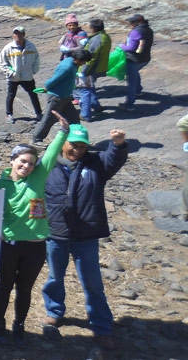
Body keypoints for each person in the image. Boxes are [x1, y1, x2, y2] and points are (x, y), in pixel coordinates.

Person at [42, 124, 128, 350]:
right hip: (56, 233)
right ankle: (54, 311)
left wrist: (118, 145)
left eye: (82, 146)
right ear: (63, 144)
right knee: (54, 277)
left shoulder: (96, 164)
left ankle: (101, 327)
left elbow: (114, 158)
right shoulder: (47, 165)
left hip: (86, 235)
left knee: (93, 283)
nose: (78, 150)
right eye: (74, 145)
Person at [0, 111, 70, 347]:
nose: (27, 166)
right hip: (8, 244)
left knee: (24, 288)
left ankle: (19, 325)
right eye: (22, 161)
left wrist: (63, 131)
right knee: (4, 285)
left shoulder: (38, 177)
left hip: (36, 246)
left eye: (31, 163)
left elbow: (51, 153)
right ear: (12, 161)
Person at [31, 49, 92, 146]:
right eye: (84, 61)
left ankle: (75, 138)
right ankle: (36, 139)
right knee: (48, 119)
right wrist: (46, 87)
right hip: (57, 97)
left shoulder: (73, 64)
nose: (84, 63)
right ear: (78, 60)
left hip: (66, 97)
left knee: (74, 119)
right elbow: (54, 80)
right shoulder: (67, 66)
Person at [0, 26, 43, 124]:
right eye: (15, 33)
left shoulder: (31, 46)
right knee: (11, 95)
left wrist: (33, 70)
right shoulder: (8, 48)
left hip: (27, 76)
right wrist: (10, 72)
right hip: (14, 77)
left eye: (20, 33)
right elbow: (2, 62)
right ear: (13, 35)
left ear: (24, 34)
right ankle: (9, 114)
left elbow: (36, 58)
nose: (17, 35)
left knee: (33, 94)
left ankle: (39, 113)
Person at [77, 19, 112, 121]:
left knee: (84, 91)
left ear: (92, 28)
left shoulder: (96, 40)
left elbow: (90, 58)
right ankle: (96, 106)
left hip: (90, 69)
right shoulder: (106, 37)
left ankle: (85, 115)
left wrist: (83, 71)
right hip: (100, 67)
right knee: (90, 88)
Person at [118, 14, 154, 111]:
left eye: (132, 22)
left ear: (139, 22)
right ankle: (138, 91)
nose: (130, 23)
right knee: (135, 73)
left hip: (133, 60)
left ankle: (129, 104)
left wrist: (121, 46)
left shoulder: (135, 32)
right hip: (145, 59)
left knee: (131, 82)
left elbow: (131, 48)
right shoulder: (148, 30)